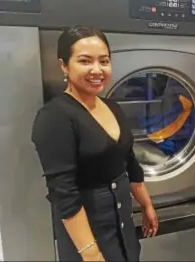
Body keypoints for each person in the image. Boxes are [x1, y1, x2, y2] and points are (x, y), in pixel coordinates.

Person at [31, 26, 159, 262]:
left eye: (104, 61)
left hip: (123, 226)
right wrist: (91, 254)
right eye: (85, 61)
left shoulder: (112, 107)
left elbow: (130, 164)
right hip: (87, 235)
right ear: (64, 65)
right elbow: (64, 193)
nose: (97, 70)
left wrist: (146, 205)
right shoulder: (55, 117)